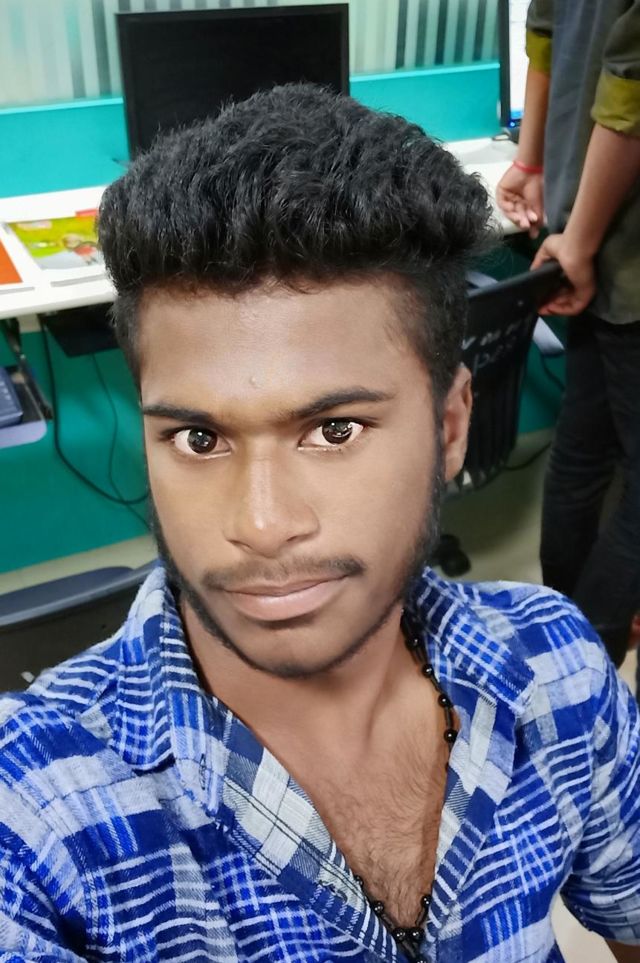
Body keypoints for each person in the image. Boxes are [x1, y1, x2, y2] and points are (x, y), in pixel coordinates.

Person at [0, 84, 638, 963]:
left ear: (451, 425)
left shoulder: (558, 669)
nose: (263, 525)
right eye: (198, 437)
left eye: (334, 430)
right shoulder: (35, 814)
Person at [496, 0, 640, 669]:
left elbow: (546, 30)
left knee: (583, 453)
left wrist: (532, 163)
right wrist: (579, 242)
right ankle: (584, 664)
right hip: (620, 241)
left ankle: (556, 641)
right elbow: (632, 90)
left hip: (588, 222)